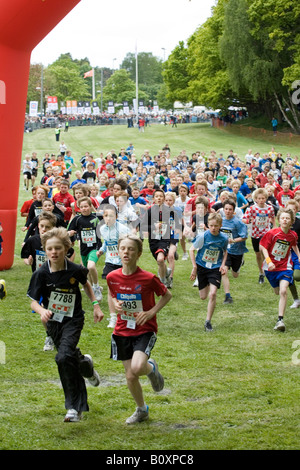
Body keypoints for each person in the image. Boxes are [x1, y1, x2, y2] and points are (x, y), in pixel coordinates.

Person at [27, 227, 104, 422]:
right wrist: (42, 311)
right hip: (53, 322)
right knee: (68, 356)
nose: (54, 252)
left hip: (73, 319)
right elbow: (33, 301)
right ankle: (85, 364)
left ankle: (73, 407)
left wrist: (95, 305)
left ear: (66, 249)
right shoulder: (41, 273)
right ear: (45, 250)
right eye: (50, 248)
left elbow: (85, 284)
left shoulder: (76, 269)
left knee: (62, 358)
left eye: (58, 248)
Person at [106, 234, 172, 424]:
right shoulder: (112, 276)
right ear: (118, 252)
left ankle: (151, 368)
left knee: (137, 367)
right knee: (130, 375)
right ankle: (141, 409)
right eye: (123, 248)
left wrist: (151, 312)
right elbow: (112, 294)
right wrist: (116, 304)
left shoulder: (148, 278)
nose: (126, 252)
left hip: (144, 328)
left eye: (131, 249)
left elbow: (166, 296)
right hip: (122, 329)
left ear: (139, 253)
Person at [259, 208, 300, 332]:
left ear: (291, 221)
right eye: (283, 218)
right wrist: (268, 261)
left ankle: (280, 320)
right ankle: (275, 285)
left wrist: (299, 257)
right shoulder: (272, 233)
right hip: (270, 267)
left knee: (283, 291)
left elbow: (294, 245)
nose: (285, 220)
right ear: (279, 219)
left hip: (285, 266)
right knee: (277, 292)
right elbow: (262, 246)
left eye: (287, 218)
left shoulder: (293, 235)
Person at [189, 212, 228, 331]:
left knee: (213, 294)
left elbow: (225, 251)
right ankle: (205, 282)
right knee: (203, 296)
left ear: (220, 225)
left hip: (215, 268)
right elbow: (191, 250)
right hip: (202, 267)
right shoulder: (203, 236)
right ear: (208, 225)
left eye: (216, 226)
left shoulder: (223, 238)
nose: (213, 228)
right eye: (211, 225)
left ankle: (208, 322)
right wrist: (194, 267)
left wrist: (223, 264)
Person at [97, 205, 131, 328]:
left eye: (111, 216)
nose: (108, 218)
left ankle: (126, 315)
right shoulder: (103, 229)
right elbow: (106, 242)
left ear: (116, 217)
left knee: (124, 289)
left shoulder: (122, 229)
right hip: (110, 261)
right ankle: (113, 317)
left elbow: (129, 244)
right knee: (111, 289)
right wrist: (101, 250)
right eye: (106, 216)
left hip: (122, 262)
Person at [68, 197, 103, 301]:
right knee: (87, 270)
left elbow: (110, 224)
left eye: (86, 206)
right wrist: (71, 237)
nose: (84, 209)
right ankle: (95, 288)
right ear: (79, 208)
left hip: (95, 247)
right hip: (84, 249)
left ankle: (96, 288)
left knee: (91, 266)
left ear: (90, 206)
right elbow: (69, 231)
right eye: (82, 207)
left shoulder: (97, 217)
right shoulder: (77, 219)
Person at [243, 188, 275, 284]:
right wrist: (250, 221)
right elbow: (244, 219)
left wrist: (275, 226)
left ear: (266, 198)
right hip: (255, 233)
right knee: (258, 255)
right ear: (255, 199)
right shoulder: (252, 208)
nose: (261, 200)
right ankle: (261, 273)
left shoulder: (269, 208)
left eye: (263, 198)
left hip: (265, 232)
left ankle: (269, 270)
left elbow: (273, 218)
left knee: (264, 251)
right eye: (259, 198)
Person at [220, 199, 248, 304]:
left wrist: (233, 240)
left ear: (234, 210)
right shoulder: (221, 221)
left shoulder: (238, 222)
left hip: (237, 251)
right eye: (226, 209)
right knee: (224, 271)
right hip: (225, 251)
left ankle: (240, 262)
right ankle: (228, 296)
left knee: (235, 274)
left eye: (230, 209)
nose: (228, 211)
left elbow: (244, 237)